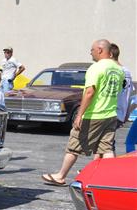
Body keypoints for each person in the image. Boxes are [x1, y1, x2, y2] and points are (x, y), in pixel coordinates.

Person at [42, 39, 124, 186]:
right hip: (110, 114)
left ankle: (60, 176)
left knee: (74, 145)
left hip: (94, 115)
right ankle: (110, 180)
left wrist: (79, 114)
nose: (90, 53)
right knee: (106, 148)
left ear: (100, 50)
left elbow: (90, 92)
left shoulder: (96, 68)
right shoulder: (118, 69)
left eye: (92, 50)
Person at [110, 43, 134, 153]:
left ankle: (109, 163)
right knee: (107, 144)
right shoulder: (127, 71)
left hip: (111, 112)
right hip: (121, 113)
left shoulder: (114, 71)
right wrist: (127, 113)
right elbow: (129, 94)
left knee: (106, 145)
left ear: (110, 55)